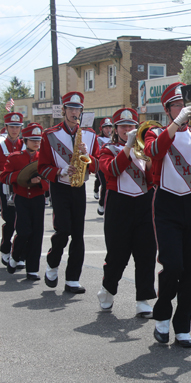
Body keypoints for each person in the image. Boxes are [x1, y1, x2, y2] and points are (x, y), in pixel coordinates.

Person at [143, 82, 191, 347]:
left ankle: (183, 325)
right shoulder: (156, 132)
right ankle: (162, 314)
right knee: (172, 264)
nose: (184, 109)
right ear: (168, 109)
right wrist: (177, 122)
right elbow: (153, 151)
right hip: (166, 204)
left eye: (185, 105)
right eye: (177, 104)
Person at [97, 108, 157, 318]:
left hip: (144, 204)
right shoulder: (108, 149)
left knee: (146, 253)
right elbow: (112, 170)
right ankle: (108, 289)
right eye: (122, 126)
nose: (127, 129)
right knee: (117, 254)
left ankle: (143, 298)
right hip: (118, 205)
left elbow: (152, 180)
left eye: (131, 126)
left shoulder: (144, 150)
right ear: (115, 129)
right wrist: (129, 146)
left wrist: (149, 161)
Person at [38, 91, 99, 294]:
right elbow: (42, 167)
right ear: (64, 110)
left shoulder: (90, 135)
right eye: (71, 109)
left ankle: (73, 278)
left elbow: (97, 166)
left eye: (78, 109)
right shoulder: (50, 134)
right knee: (63, 230)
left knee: (78, 235)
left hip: (79, 186)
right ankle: (53, 264)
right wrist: (61, 171)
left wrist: (86, 155)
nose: (75, 113)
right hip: (60, 186)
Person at [0, 123, 48, 280]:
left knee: (37, 233)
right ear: (25, 140)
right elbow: (4, 177)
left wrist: (40, 182)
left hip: (38, 198)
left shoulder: (43, 158)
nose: (36, 143)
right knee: (23, 231)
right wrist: (22, 177)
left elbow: (50, 179)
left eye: (38, 140)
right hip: (21, 198)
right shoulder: (15, 157)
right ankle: (15, 255)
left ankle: (32, 269)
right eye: (32, 140)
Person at [0, 112, 25, 270]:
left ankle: (19, 253)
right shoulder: (1, 145)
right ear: (6, 127)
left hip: (23, 187)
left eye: (17, 127)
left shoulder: (25, 144)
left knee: (22, 221)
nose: (14, 130)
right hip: (5, 187)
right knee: (10, 220)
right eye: (12, 126)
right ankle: (5, 248)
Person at [94, 118, 113, 215]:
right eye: (106, 128)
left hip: (111, 165)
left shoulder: (114, 139)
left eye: (110, 127)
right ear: (102, 129)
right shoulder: (97, 139)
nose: (108, 129)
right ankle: (101, 204)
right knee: (104, 184)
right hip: (101, 165)